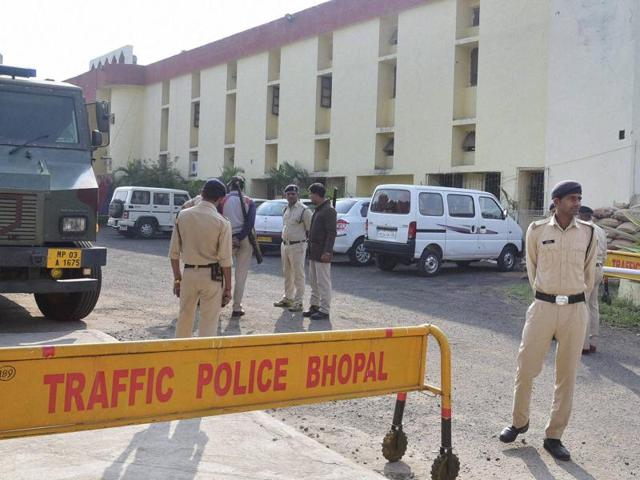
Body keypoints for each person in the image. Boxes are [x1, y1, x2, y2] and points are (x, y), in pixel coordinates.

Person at [499, 180, 596, 461]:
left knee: (566, 375)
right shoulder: (537, 231)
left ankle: (554, 436)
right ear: (556, 201)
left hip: (575, 310)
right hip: (543, 306)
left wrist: (575, 298)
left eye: (579, 198)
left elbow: (589, 274)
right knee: (526, 365)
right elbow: (532, 267)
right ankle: (519, 422)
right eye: (572, 199)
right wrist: (547, 295)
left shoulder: (589, 234)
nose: (577, 204)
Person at [169, 179, 232, 337]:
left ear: (202, 194)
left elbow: (174, 253)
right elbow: (225, 260)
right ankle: (204, 358)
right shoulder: (222, 222)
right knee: (209, 322)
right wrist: (228, 288)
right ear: (221, 199)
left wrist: (177, 279)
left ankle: (180, 353)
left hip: (189, 274)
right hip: (212, 276)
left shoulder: (182, 216)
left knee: (184, 317)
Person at [273, 184, 312, 312]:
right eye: (288, 194)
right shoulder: (286, 209)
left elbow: (310, 230)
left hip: (298, 245)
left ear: (297, 195)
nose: (291, 196)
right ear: (285, 195)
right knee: (287, 273)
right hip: (285, 245)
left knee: (298, 274)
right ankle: (288, 298)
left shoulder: (304, 210)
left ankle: (299, 302)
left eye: (293, 194)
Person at [223, 176, 256, 318]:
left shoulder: (222, 200)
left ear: (230, 186)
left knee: (222, 272)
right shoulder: (249, 201)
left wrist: (232, 237)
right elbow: (250, 223)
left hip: (226, 237)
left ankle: (220, 301)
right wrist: (240, 237)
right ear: (243, 186)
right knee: (241, 275)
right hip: (244, 239)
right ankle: (237, 307)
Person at [304, 183, 337, 321]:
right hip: (314, 251)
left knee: (323, 282)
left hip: (322, 252)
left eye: (311, 194)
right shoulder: (319, 209)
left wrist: (327, 251)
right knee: (313, 282)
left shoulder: (328, 210)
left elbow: (331, 233)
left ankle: (324, 310)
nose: (310, 197)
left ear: (317, 194)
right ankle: (315, 305)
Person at [578, 206, 608, 354]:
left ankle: (584, 345)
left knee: (583, 305)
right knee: (593, 305)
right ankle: (593, 341)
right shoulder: (600, 230)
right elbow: (606, 253)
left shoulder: (583, 229)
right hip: (599, 268)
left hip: (587, 269)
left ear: (581, 215)